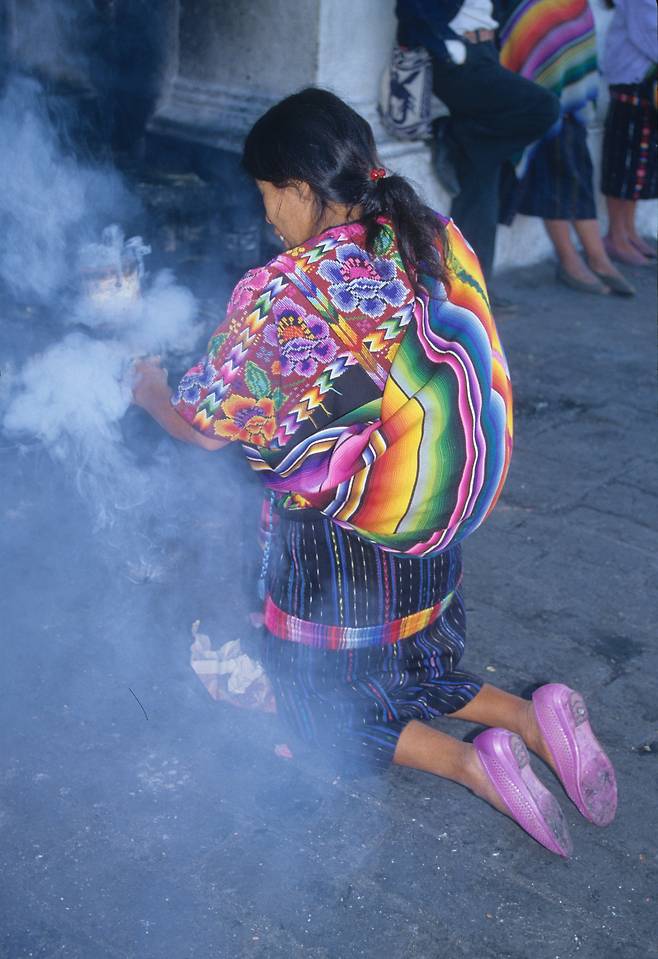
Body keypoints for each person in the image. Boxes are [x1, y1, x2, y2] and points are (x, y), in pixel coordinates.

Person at [132, 88, 617, 857]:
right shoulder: (432, 233)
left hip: (363, 538)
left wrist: (150, 389)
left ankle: (474, 763)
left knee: (313, 707)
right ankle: (534, 716)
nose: (267, 219)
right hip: (448, 518)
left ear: (298, 188)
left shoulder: (286, 291)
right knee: (409, 662)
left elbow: (202, 432)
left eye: (268, 198)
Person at [394, 0, 560, 300]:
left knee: (482, 172)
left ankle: (470, 288)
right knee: (543, 107)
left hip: (485, 53)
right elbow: (412, 9)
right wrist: (444, 47)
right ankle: (457, 134)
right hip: (458, 60)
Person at [498, 0, 635, 296]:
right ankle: (579, 259)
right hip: (538, 92)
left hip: (569, 95)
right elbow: (524, 26)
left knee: (573, 168)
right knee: (560, 168)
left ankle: (590, 257)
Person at [600, 0, 657, 266]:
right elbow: (649, 34)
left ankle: (629, 230)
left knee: (640, 163)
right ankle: (616, 235)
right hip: (631, 81)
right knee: (624, 161)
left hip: (644, 85)